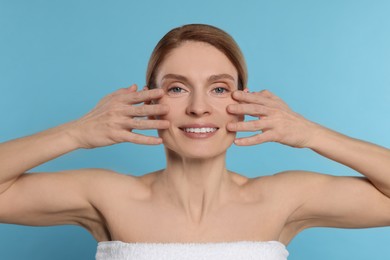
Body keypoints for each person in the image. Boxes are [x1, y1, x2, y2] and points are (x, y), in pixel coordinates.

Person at [0, 24, 389, 260]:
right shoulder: (108, 196)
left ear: (244, 102)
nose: (199, 108)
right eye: (177, 89)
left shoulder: (282, 198)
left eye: (219, 89)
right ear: (149, 100)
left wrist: (312, 134)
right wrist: (76, 132)